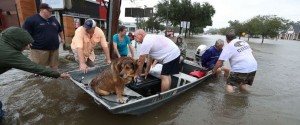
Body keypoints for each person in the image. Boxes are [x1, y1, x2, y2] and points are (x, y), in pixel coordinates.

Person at [0, 27, 70, 120]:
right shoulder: (9, 54)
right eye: (25, 44)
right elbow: (33, 67)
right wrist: (58, 74)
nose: (27, 47)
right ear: (17, 41)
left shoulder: (3, 40)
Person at [22, 3, 65, 71]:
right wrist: (26, 41)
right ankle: (38, 80)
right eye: (48, 11)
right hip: (39, 49)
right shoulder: (31, 19)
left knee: (54, 66)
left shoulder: (53, 19)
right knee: (39, 68)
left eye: (51, 11)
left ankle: (54, 78)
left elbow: (60, 30)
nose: (50, 12)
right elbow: (24, 32)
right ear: (41, 10)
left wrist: (62, 38)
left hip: (54, 48)